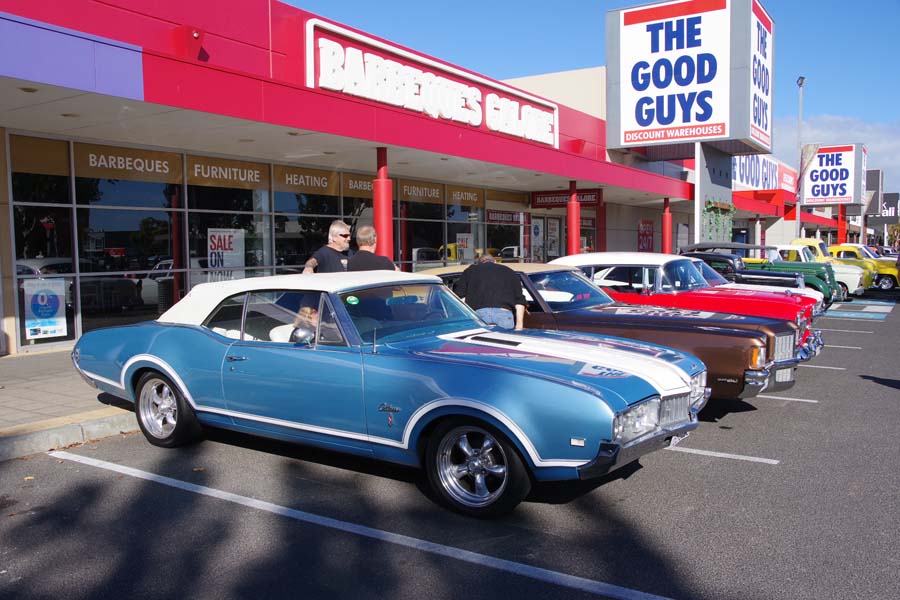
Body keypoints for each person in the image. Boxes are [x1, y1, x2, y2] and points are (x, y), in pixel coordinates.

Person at [454, 254, 525, 330]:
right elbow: (519, 301)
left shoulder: (470, 271)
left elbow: (460, 297)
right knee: (504, 338)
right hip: (504, 314)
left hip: (479, 314)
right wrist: (519, 325)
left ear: (479, 263)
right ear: (495, 261)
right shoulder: (509, 272)